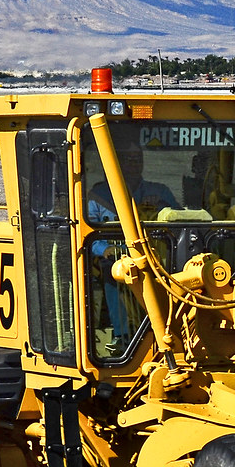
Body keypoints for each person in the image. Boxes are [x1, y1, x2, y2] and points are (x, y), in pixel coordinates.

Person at [86, 142, 179, 356]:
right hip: (116, 257)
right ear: (116, 163)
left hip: (155, 256)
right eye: (128, 159)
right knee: (113, 271)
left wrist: (161, 207)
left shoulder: (159, 191)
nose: (134, 163)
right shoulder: (98, 195)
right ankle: (121, 335)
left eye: (138, 158)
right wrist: (105, 248)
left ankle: (170, 327)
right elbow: (87, 229)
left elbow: (178, 219)